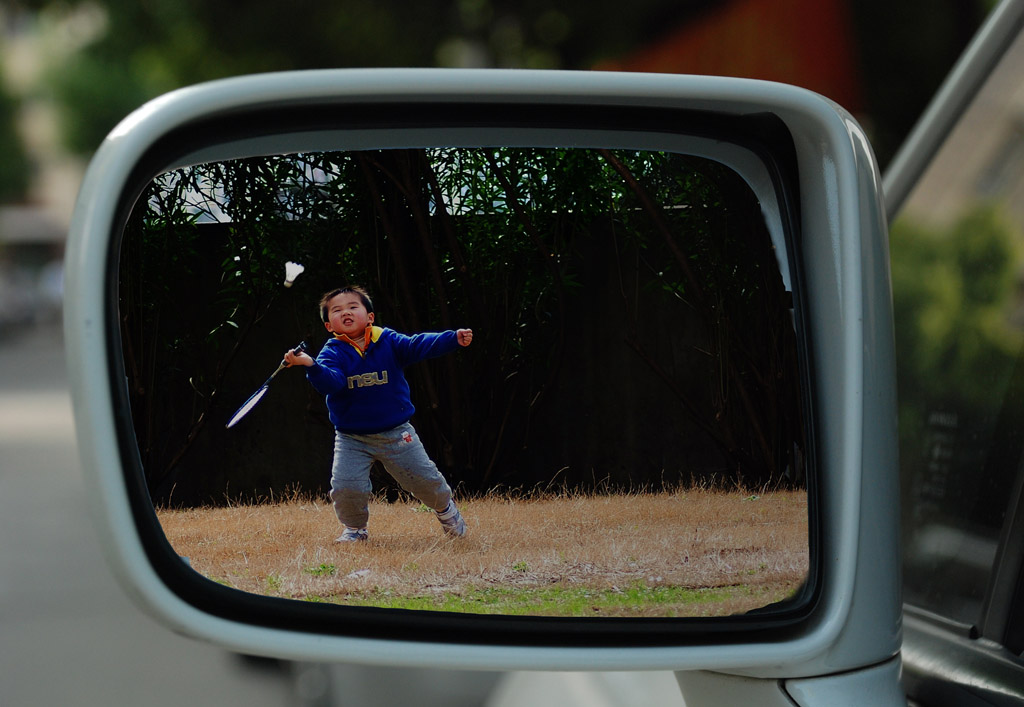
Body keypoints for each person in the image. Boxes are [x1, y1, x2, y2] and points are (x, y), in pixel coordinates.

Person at [284, 286, 472, 543]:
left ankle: (446, 510)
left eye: (353, 307)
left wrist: (452, 338)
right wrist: (311, 364)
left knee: (425, 481)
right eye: (337, 311)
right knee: (346, 487)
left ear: (370, 317)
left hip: (397, 433)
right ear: (329, 326)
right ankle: (355, 530)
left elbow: (418, 345)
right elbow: (332, 384)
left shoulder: (389, 341)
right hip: (352, 438)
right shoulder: (332, 353)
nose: (346, 313)